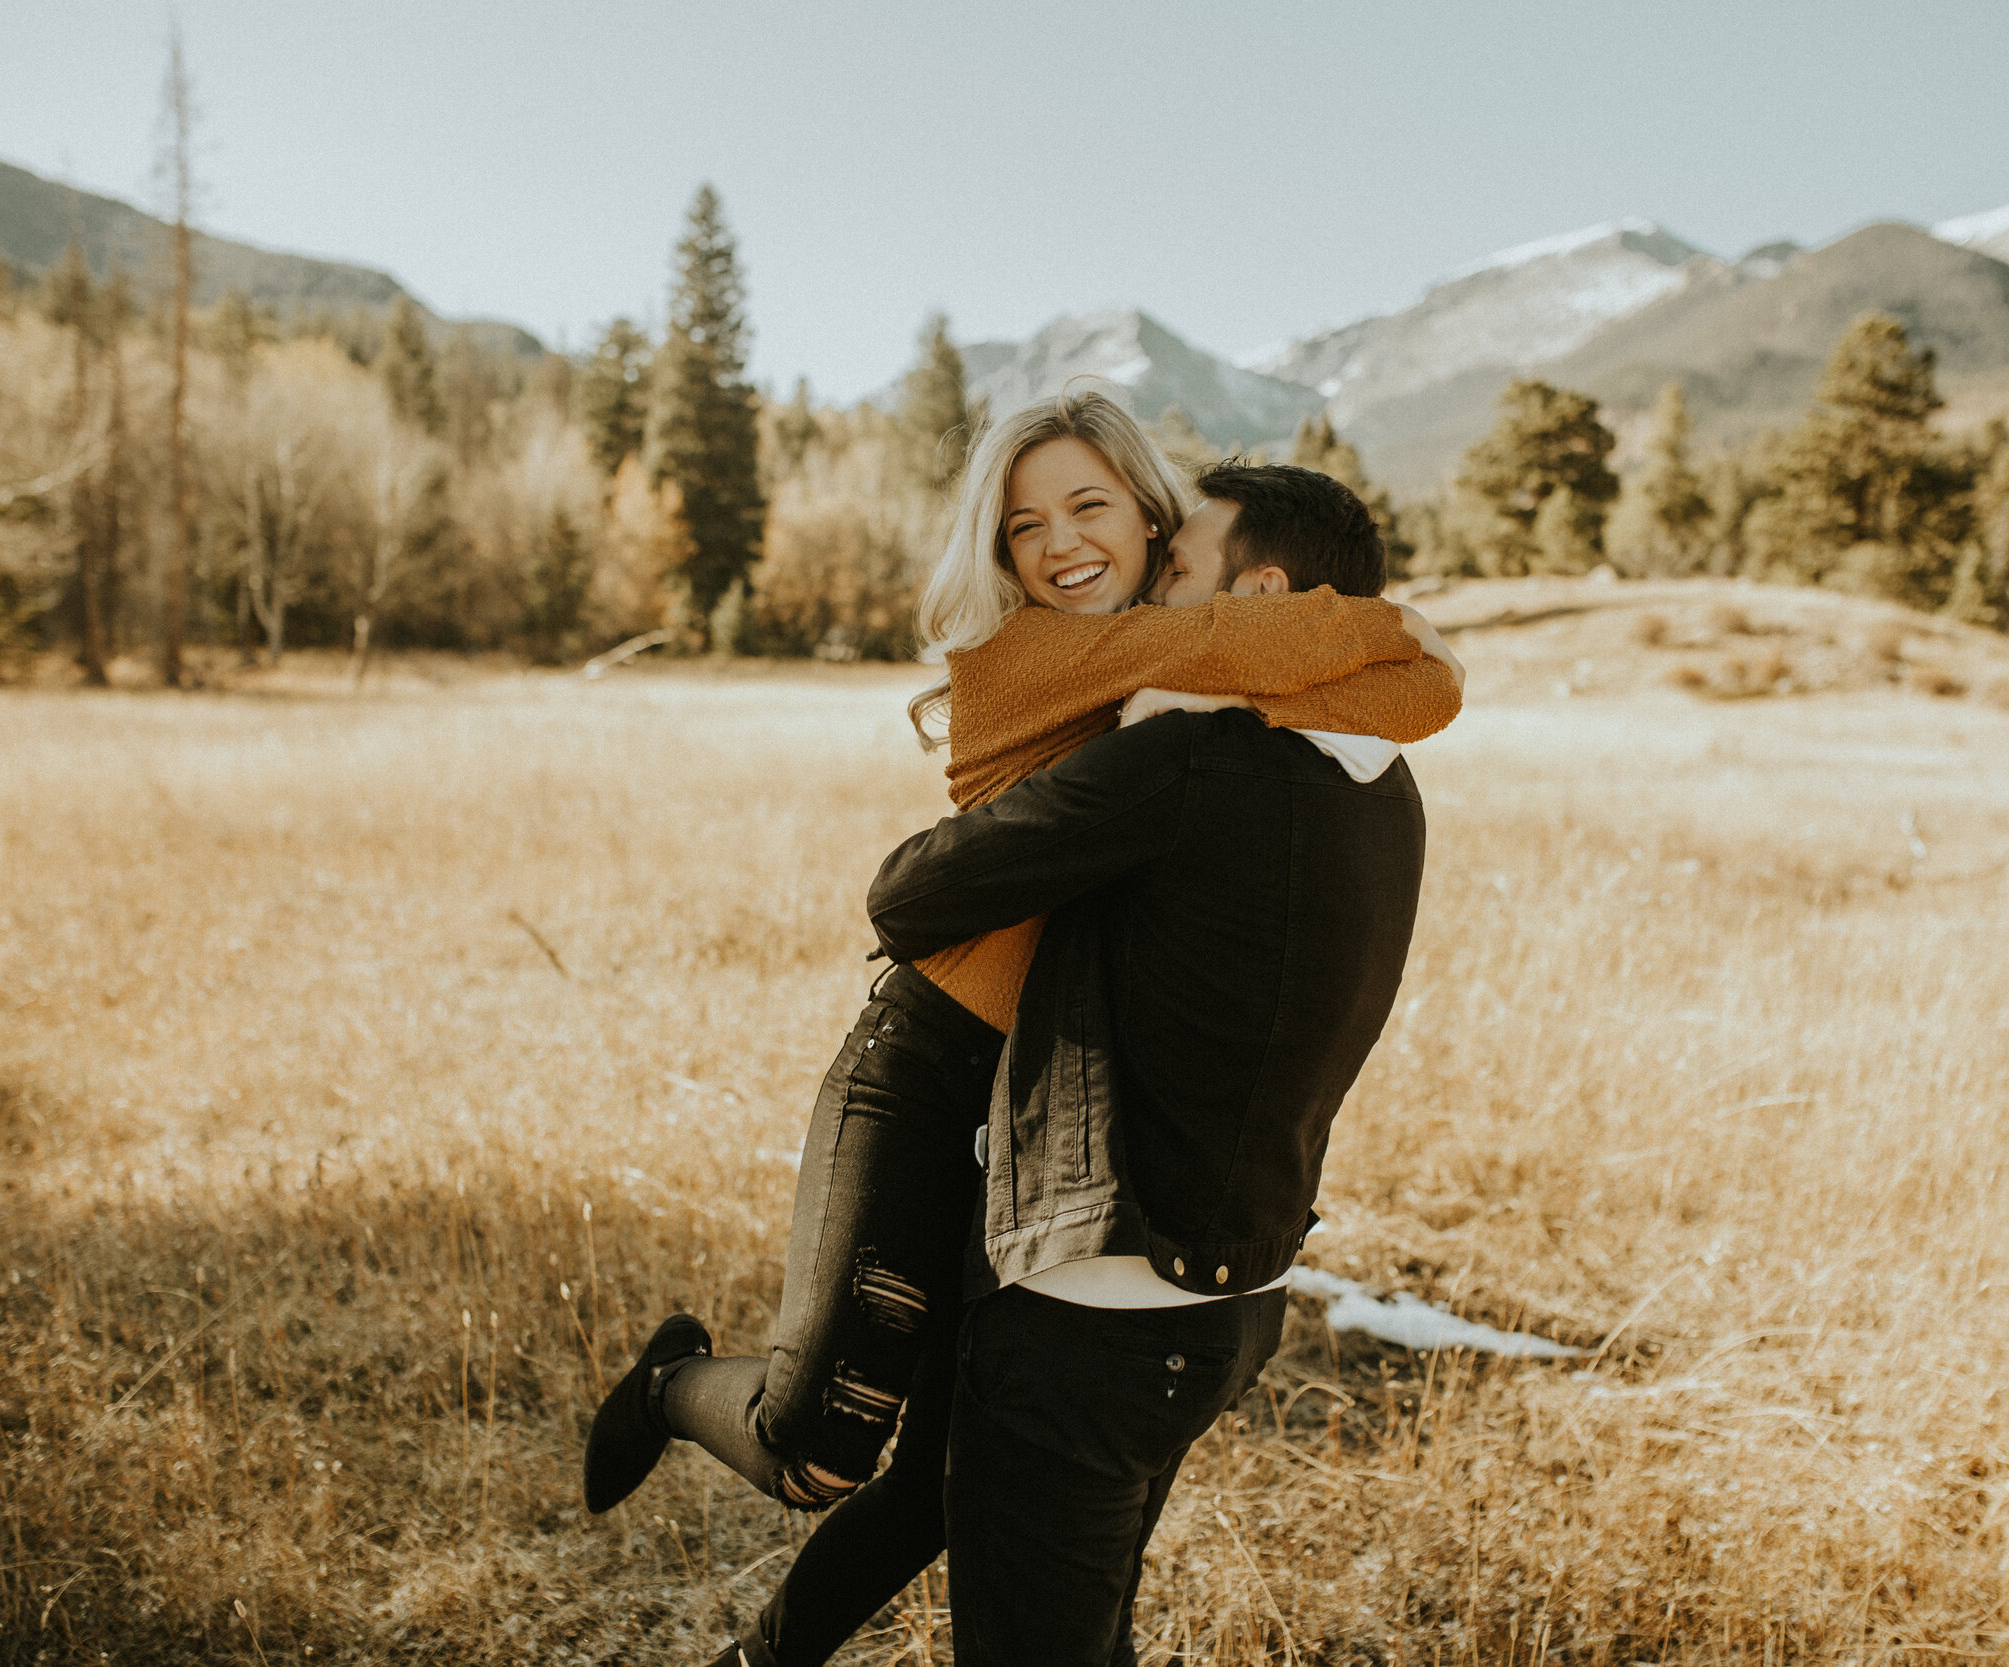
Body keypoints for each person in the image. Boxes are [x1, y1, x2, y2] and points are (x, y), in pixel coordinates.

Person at [581, 392, 1460, 1667]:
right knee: (818, 1445)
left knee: (939, 1480)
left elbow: (1396, 698)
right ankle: (673, 1381)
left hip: (1036, 1111)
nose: (1057, 546)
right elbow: (1405, 671)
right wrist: (1362, 631)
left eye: (1094, 509)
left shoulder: (1192, 668)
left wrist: (1284, 659)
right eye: (1020, 523)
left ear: (1156, 521)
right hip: (926, 1062)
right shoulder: (1042, 655)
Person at [865, 461, 1436, 1666]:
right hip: (1235, 1302)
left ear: (1263, 595)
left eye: (1179, 569)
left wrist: (1130, 735)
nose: (1148, 598)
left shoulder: (1180, 760)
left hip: (1085, 1308)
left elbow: (911, 893)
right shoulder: (1387, 786)